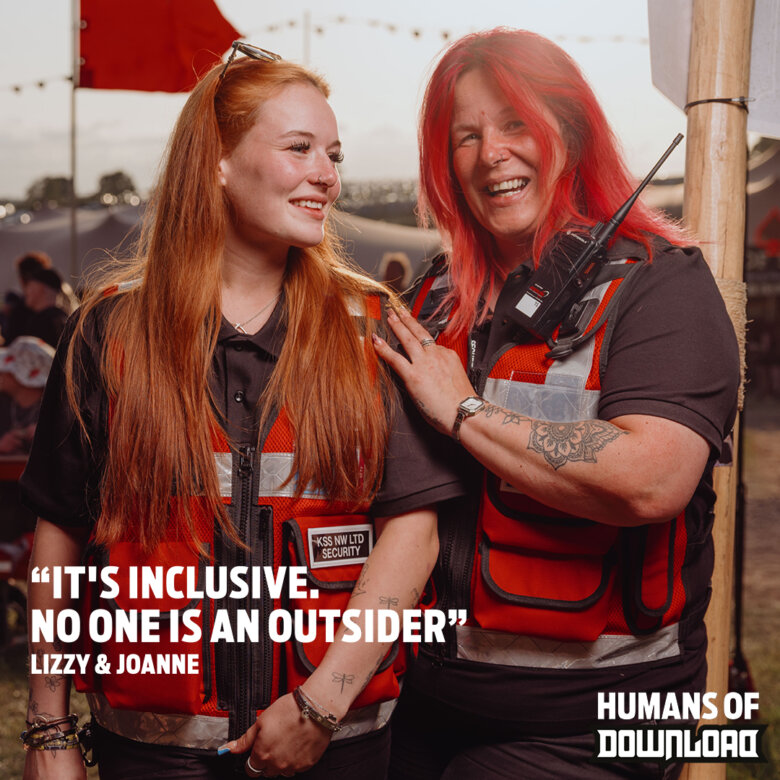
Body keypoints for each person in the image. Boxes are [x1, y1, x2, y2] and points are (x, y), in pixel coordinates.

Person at [21, 43, 461, 780]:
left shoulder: (371, 324)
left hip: (336, 746)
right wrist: (48, 730)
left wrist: (321, 706)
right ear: (218, 161)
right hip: (152, 750)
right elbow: (60, 534)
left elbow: (411, 535)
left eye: (333, 152)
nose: (327, 173)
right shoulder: (107, 331)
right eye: (299, 148)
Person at [371, 28, 740, 779]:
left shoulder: (663, 287)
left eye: (515, 123)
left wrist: (465, 411)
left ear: (568, 131)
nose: (490, 153)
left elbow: (652, 478)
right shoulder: (428, 304)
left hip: (610, 714)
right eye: (465, 135)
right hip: (421, 699)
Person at [11, 251, 69, 348]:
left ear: (41, 287)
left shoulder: (40, 321)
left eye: (29, 284)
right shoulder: (65, 317)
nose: (26, 290)